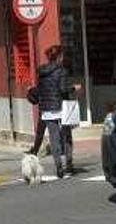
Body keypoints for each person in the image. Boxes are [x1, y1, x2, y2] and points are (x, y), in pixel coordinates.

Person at [30, 45, 82, 178]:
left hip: (47, 108)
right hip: (61, 107)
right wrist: (74, 88)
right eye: (62, 55)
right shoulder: (62, 71)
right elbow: (63, 89)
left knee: (54, 138)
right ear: (59, 56)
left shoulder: (41, 71)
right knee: (67, 137)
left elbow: (40, 89)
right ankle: (69, 165)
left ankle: (58, 167)